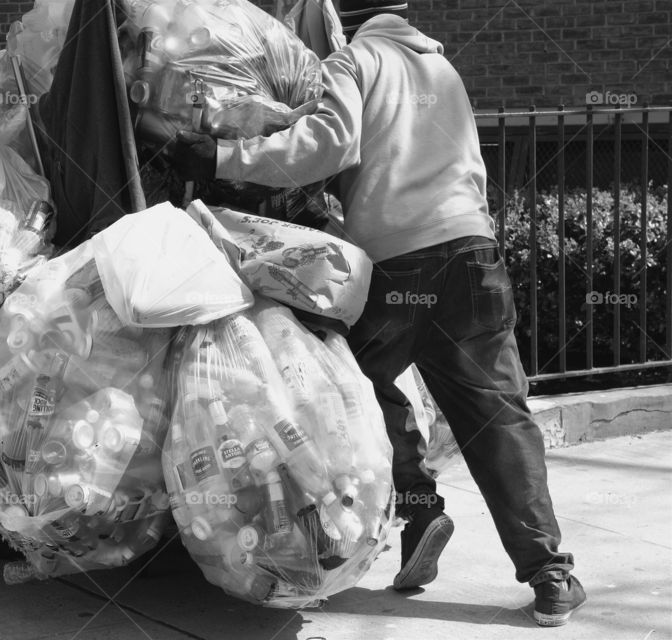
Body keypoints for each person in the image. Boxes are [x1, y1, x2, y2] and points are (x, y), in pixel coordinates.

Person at [169, 0, 585, 627]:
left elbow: (326, 145)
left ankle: (418, 505)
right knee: (497, 413)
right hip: (474, 256)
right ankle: (551, 574)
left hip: (398, 265)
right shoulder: (444, 72)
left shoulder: (355, 60)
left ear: (349, 17)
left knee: (350, 388)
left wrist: (221, 160)